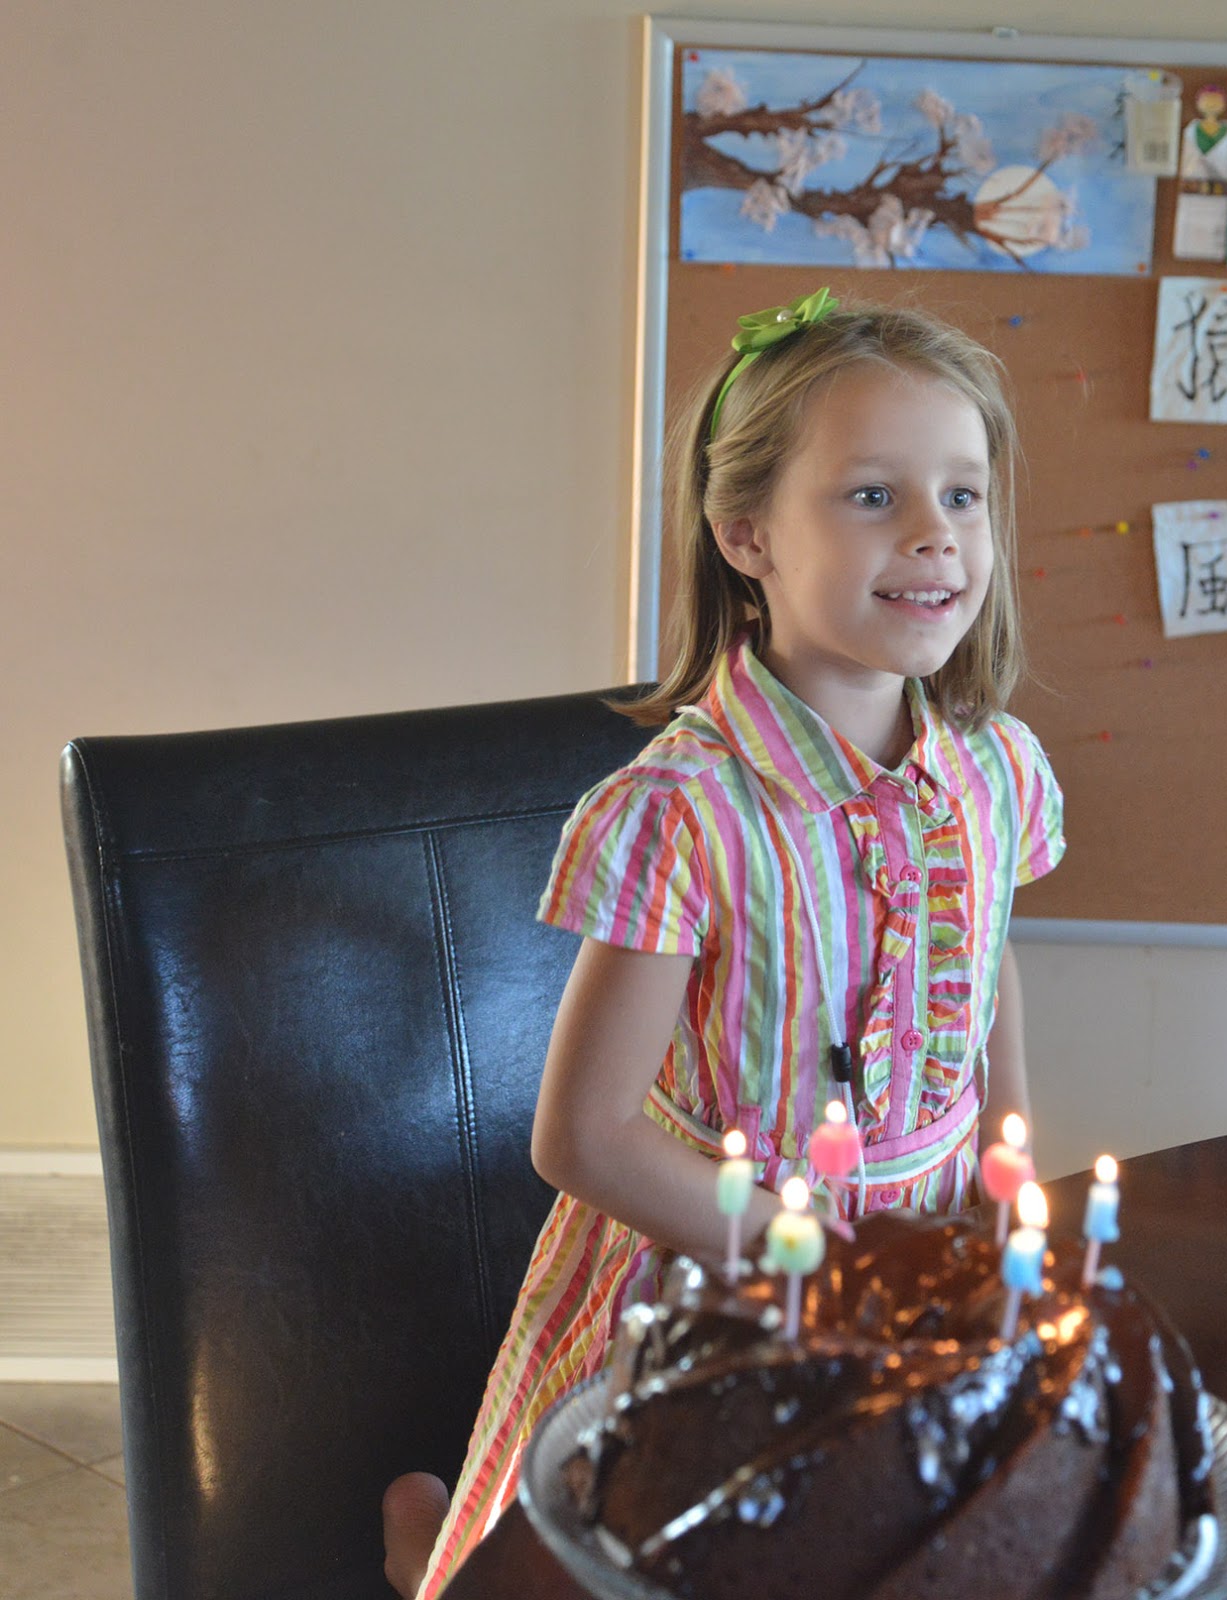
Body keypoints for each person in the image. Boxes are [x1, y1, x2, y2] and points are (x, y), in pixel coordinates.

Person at [383, 288, 1065, 1599]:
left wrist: (1003, 1175)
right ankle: (432, 1550)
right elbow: (583, 1138)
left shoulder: (997, 770)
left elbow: (983, 967)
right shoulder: (681, 812)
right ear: (746, 533)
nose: (936, 534)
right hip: (719, 1272)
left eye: (964, 495)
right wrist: (819, 1270)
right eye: (873, 495)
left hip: (918, 1258)